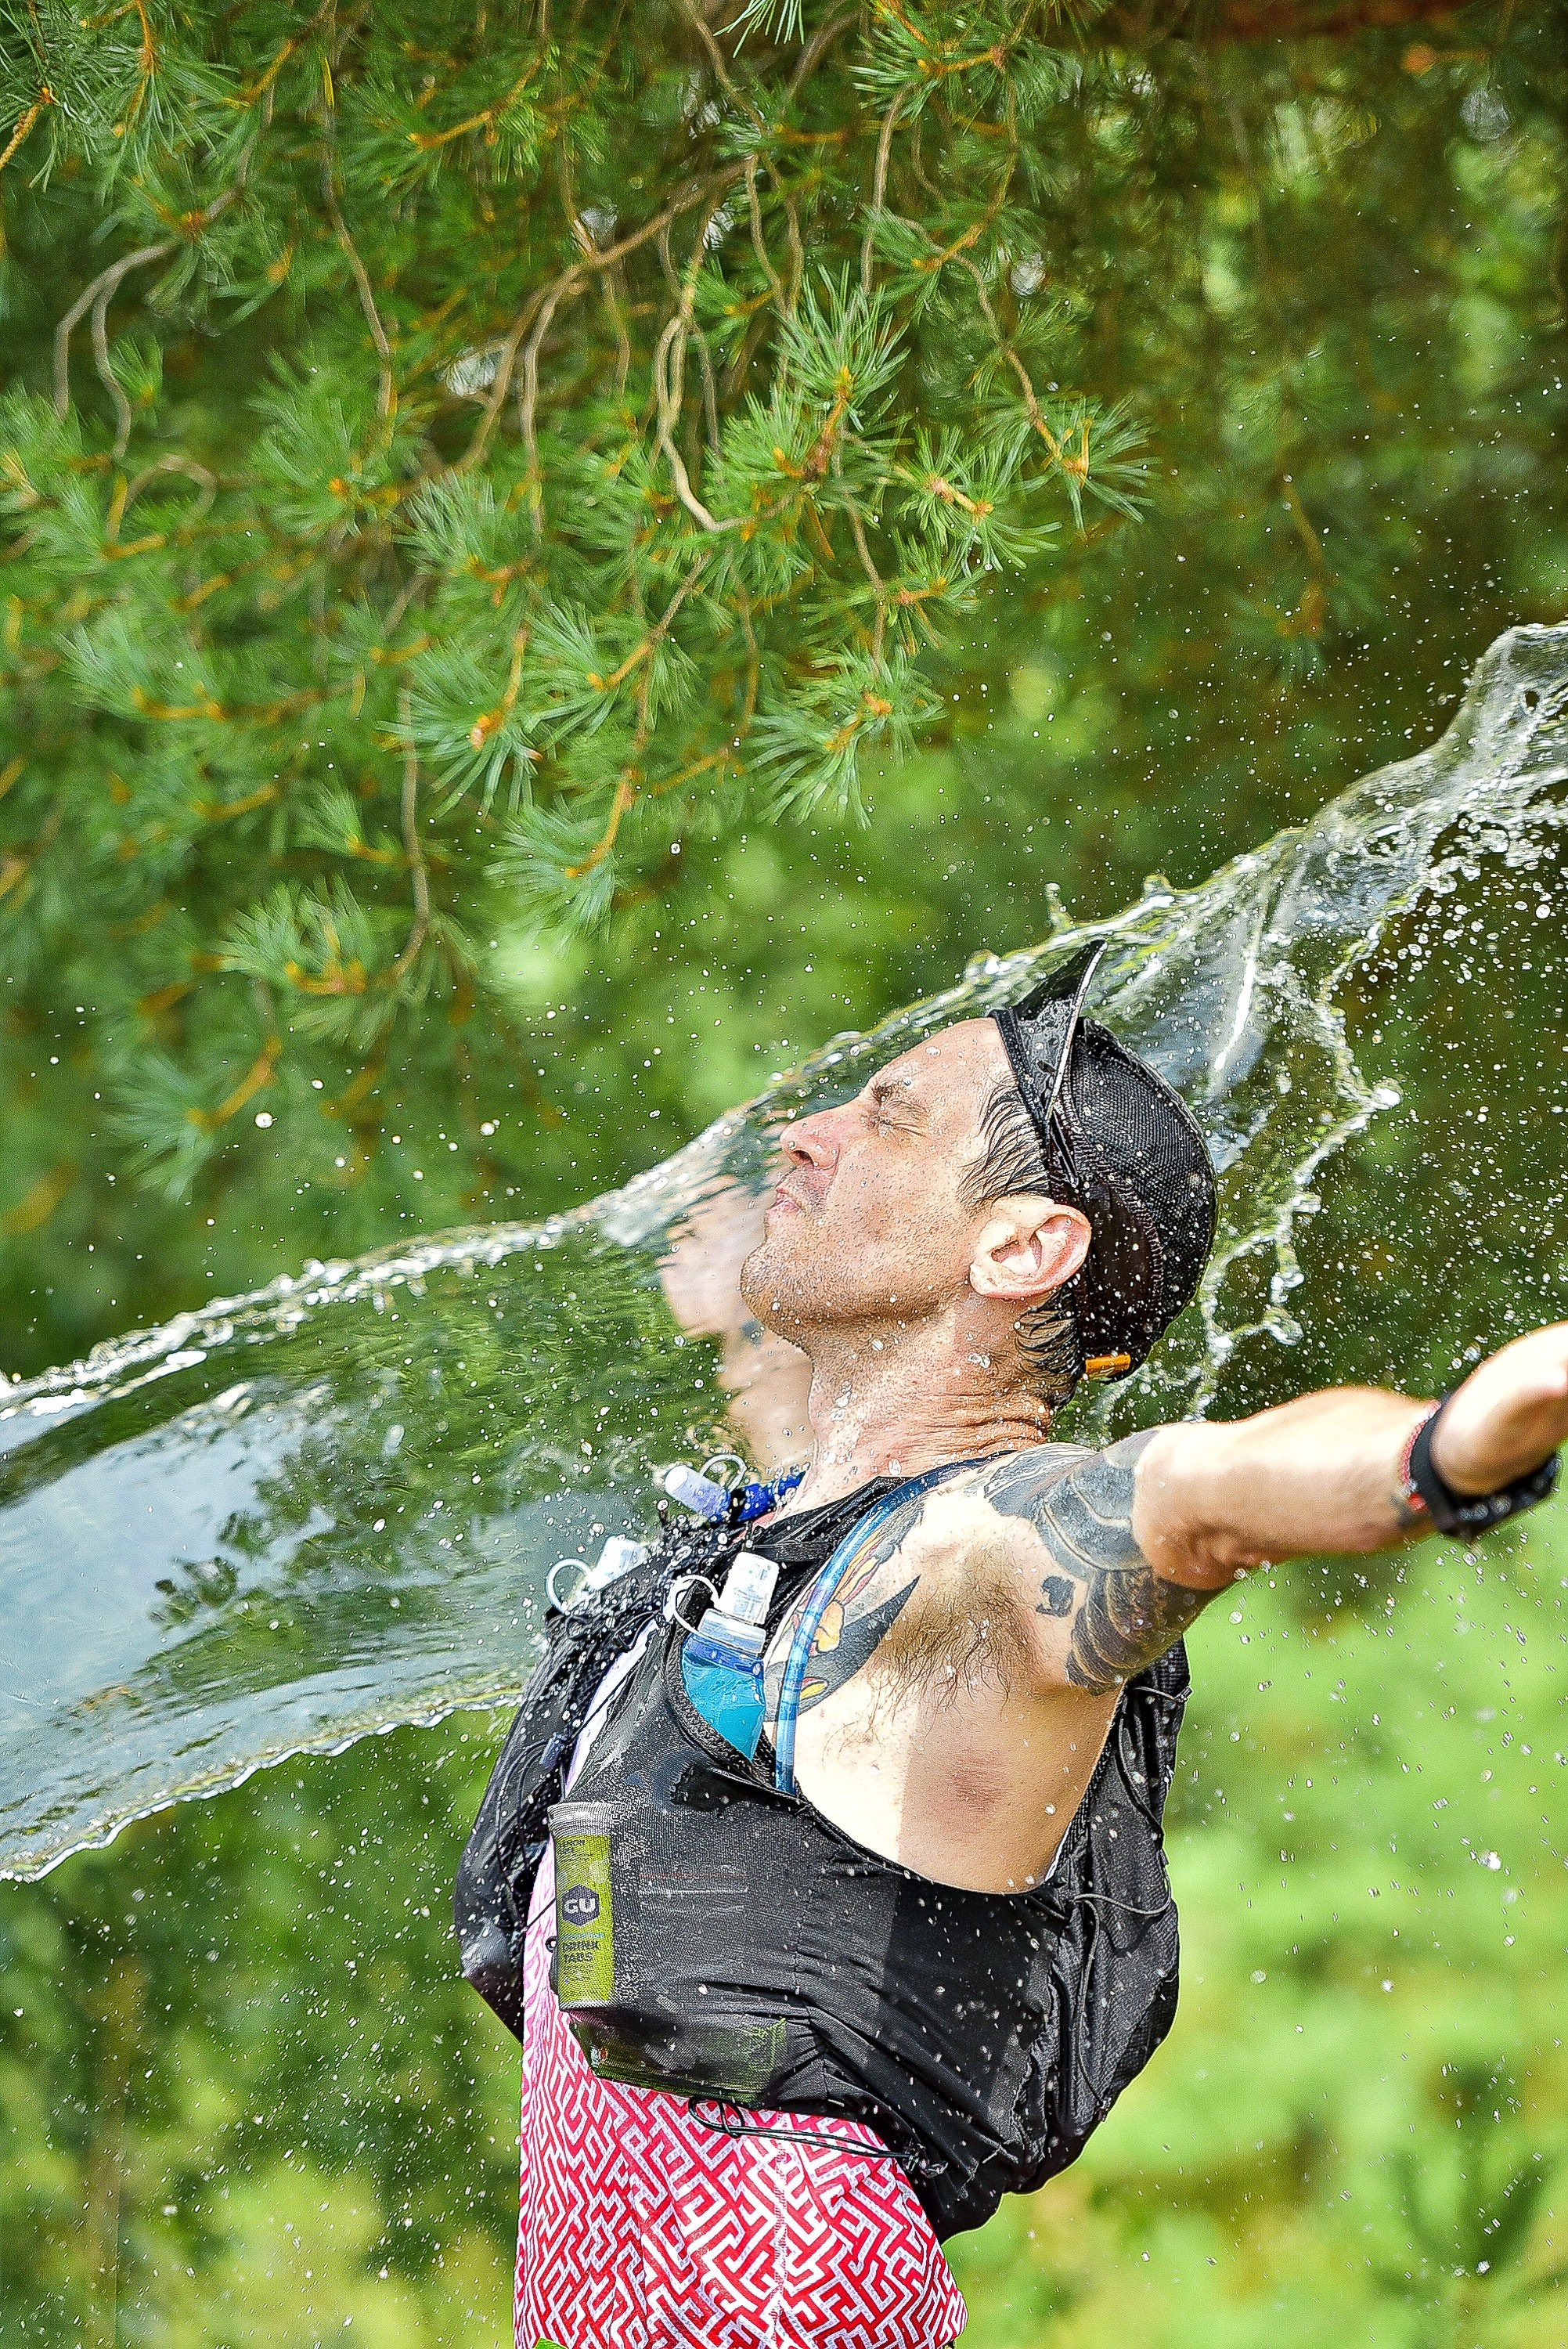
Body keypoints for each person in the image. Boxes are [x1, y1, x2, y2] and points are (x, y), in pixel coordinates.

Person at [456, 944, 1566, 2349]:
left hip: (786, 2301)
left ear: (1023, 1248)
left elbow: (1200, 1496)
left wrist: (1445, 1447)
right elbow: (796, 1467)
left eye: (887, 1116)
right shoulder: (800, 1534)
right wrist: (738, 1316)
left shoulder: (987, 1550)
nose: (809, 1131)